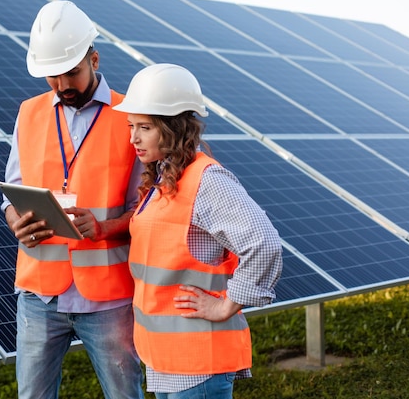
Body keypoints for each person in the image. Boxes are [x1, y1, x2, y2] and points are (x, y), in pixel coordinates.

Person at [1, 0, 144, 399]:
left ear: (94, 59)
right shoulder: (28, 114)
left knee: (124, 395)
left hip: (108, 297)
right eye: (53, 75)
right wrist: (15, 219)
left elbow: (148, 209)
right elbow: (12, 191)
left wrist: (103, 228)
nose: (63, 84)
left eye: (73, 72)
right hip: (39, 294)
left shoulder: (130, 115)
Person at [113, 63, 283, 399]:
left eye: (145, 127)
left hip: (198, 364)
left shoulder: (206, 181)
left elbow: (264, 245)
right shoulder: (163, 179)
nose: (133, 137)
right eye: (132, 126)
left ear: (174, 128)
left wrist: (226, 306)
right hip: (166, 362)